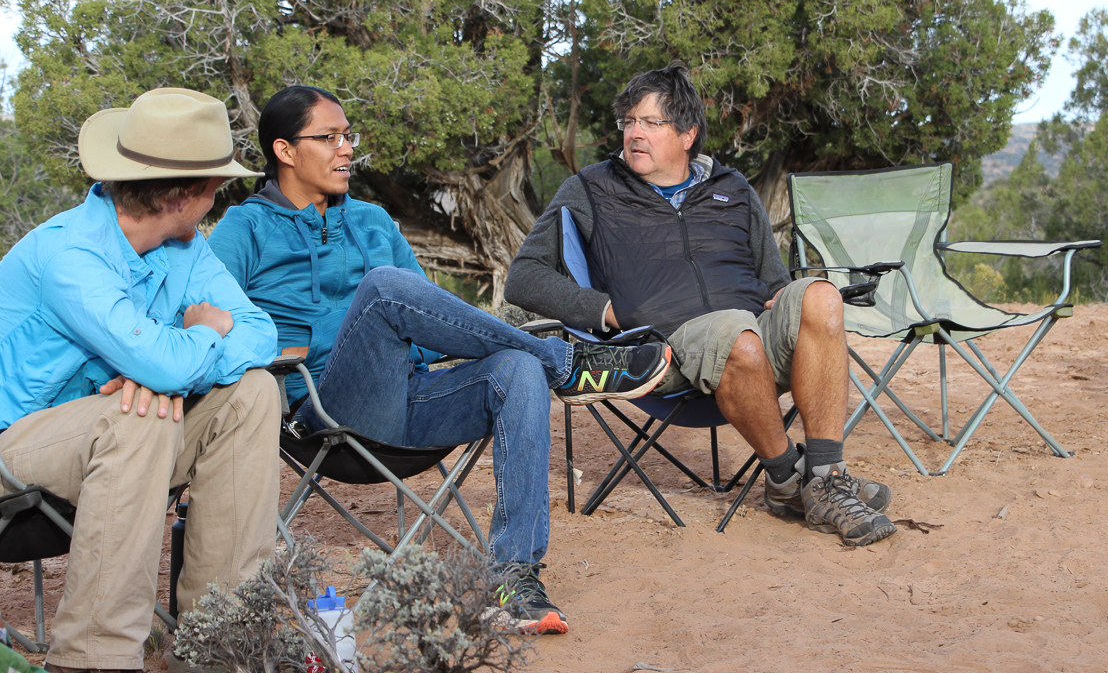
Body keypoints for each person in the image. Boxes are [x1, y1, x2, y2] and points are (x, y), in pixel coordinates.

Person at [206, 85, 671, 636]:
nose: (346, 149)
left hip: (407, 404)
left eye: (348, 136)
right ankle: (565, 361)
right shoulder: (246, 228)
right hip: (319, 414)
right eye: (328, 138)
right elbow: (211, 324)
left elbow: (428, 324)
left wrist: (406, 342)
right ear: (284, 151)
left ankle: (513, 577)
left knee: (515, 369)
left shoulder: (374, 221)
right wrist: (281, 354)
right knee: (384, 288)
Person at [505, 63, 898, 547]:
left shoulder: (732, 188)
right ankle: (784, 478)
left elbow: (773, 279)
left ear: (687, 133)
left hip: (750, 337)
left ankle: (825, 476)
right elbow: (522, 278)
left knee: (820, 295)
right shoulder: (591, 189)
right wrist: (604, 311)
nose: (634, 134)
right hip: (664, 351)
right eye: (628, 122)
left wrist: (786, 299)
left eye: (650, 123)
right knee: (738, 332)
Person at [0, 88, 282, 673]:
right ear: (186, 195)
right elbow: (170, 363)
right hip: (12, 450)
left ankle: (217, 646)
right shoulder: (71, 255)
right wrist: (195, 344)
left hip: (115, 444)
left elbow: (261, 334)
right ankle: (93, 661)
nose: (217, 198)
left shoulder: (185, 251)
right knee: (140, 410)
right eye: (215, 186)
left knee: (253, 392)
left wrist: (165, 369)